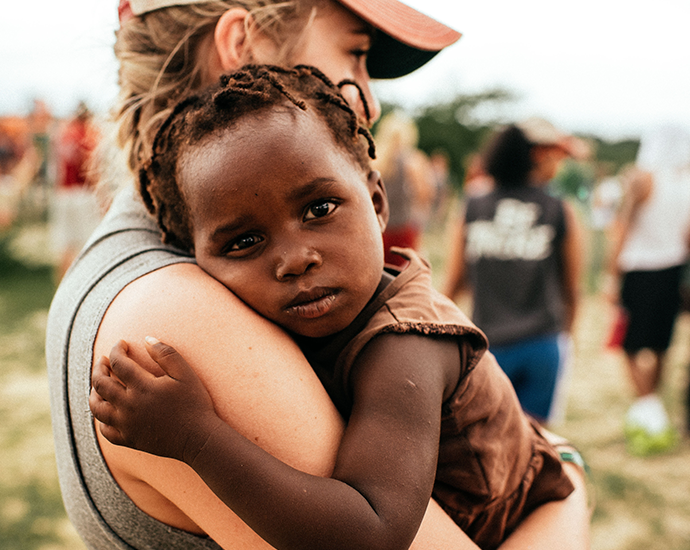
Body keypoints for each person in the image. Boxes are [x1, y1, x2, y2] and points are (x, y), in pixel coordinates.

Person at [46, 1, 589, 549]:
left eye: (320, 210)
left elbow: (370, 530)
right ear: (243, 47)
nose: (370, 102)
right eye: (355, 55)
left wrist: (197, 437)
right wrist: (571, 483)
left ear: (376, 201)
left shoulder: (402, 338)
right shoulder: (171, 310)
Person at [443, 122, 584, 425]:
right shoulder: (558, 208)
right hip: (542, 342)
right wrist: (566, 335)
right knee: (534, 445)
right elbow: (572, 286)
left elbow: (454, 281)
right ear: (533, 158)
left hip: (486, 345)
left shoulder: (473, 206)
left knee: (488, 444)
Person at [606, 124, 690, 455]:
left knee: (629, 343)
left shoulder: (645, 178)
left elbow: (623, 227)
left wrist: (611, 274)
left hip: (639, 268)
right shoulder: (685, 182)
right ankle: (651, 408)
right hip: (672, 268)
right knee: (660, 343)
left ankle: (648, 405)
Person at [374, 110, 435, 267]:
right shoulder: (413, 160)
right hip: (403, 229)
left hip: (378, 229)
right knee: (403, 278)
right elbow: (424, 196)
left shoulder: (374, 159)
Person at [49, 102, 101, 280]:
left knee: (65, 246)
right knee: (87, 245)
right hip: (82, 194)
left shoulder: (63, 134)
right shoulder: (87, 135)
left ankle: (60, 292)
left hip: (63, 193)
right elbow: (89, 168)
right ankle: (82, 285)